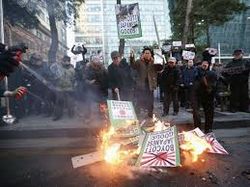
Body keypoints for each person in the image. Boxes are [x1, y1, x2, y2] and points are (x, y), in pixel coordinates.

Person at [130, 47, 159, 118]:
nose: (147, 54)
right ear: (143, 54)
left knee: (150, 100)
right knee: (139, 99)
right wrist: (131, 57)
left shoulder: (155, 61)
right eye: (145, 53)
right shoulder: (139, 61)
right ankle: (138, 113)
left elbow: (160, 68)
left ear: (151, 54)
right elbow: (133, 66)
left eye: (148, 53)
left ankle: (150, 114)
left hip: (150, 84)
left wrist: (160, 57)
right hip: (141, 84)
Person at [192, 60, 217, 133]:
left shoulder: (212, 73)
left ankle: (208, 129)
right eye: (203, 63)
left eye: (206, 63)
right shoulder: (196, 72)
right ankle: (197, 129)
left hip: (208, 96)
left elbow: (214, 84)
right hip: (197, 95)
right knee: (196, 113)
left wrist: (210, 88)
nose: (205, 65)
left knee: (209, 113)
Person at [53, 55, 75, 121]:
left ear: (69, 61)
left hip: (69, 88)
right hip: (59, 88)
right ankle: (58, 115)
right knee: (59, 102)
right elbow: (54, 77)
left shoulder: (72, 70)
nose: (65, 62)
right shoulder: (58, 68)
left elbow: (73, 79)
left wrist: (73, 85)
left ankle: (71, 114)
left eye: (67, 61)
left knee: (70, 102)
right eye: (64, 61)